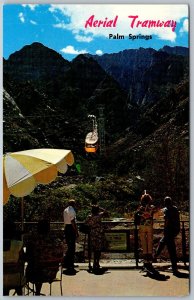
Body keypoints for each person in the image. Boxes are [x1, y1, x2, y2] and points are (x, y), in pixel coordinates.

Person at [26, 219, 63, 295]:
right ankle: (37, 292)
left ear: (38, 228)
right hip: (51, 274)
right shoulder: (56, 240)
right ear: (48, 228)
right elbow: (61, 255)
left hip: (36, 274)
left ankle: (36, 292)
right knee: (40, 265)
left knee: (35, 265)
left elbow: (27, 256)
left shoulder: (33, 240)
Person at [154, 196, 180, 275]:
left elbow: (167, 221)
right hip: (174, 230)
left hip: (168, 231)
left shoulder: (167, 210)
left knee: (171, 249)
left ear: (165, 202)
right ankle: (154, 257)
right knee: (162, 243)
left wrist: (165, 229)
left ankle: (174, 268)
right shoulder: (175, 209)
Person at [3, 220, 25, 296]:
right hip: (16, 279)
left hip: (2, 279)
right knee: (19, 285)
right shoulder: (18, 244)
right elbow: (23, 259)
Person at [135, 191, 156, 271]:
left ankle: (145, 262)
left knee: (144, 243)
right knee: (150, 243)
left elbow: (138, 215)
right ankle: (150, 262)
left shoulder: (140, 208)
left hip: (142, 226)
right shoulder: (152, 207)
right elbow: (153, 215)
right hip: (149, 226)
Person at [85, 205, 108, 274]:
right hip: (99, 233)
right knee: (99, 249)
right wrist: (101, 207)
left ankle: (94, 262)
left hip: (92, 233)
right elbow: (106, 212)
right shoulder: (99, 216)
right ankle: (97, 262)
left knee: (94, 248)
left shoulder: (89, 216)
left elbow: (86, 223)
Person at [63, 199, 79, 275]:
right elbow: (73, 221)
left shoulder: (65, 210)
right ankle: (70, 264)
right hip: (70, 228)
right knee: (72, 247)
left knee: (69, 246)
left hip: (67, 228)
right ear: (74, 204)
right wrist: (76, 231)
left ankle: (68, 263)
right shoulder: (72, 210)